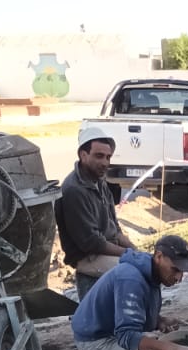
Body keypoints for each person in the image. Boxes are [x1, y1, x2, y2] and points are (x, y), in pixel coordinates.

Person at [56, 122, 133, 290]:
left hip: (105, 250)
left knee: (148, 265)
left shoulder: (99, 181)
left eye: (108, 157)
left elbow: (115, 228)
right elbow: (91, 243)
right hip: (87, 257)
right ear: (83, 155)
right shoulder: (74, 190)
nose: (105, 162)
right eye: (99, 156)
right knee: (134, 272)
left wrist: (135, 250)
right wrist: (128, 254)